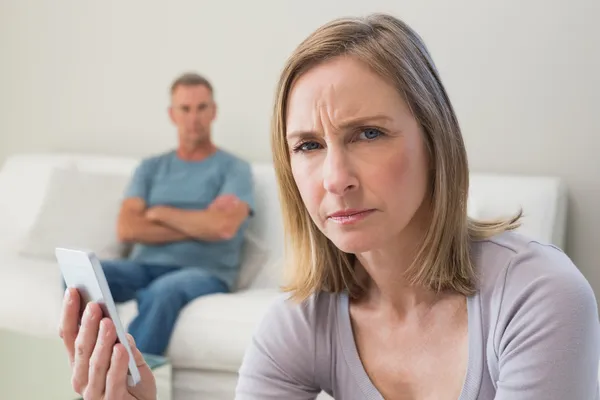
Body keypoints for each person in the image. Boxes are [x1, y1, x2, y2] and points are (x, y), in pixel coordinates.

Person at [58, 13, 599, 400]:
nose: (335, 179)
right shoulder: (301, 323)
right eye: (309, 146)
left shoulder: (538, 294)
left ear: (435, 140)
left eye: (367, 133)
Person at [84, 72, 255, 357]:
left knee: (164, 292)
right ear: (172, 114)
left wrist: (159, 212)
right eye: (185, 109)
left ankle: (125, 386)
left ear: (213, 112)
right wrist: (200, 221)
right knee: (81, 278)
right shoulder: (151, 168)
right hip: (143, 268)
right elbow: (127, 228)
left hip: (204, 273)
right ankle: (92, 369)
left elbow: (223, 227)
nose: (194, 117)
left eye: (202, 108)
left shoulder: (234, 169)